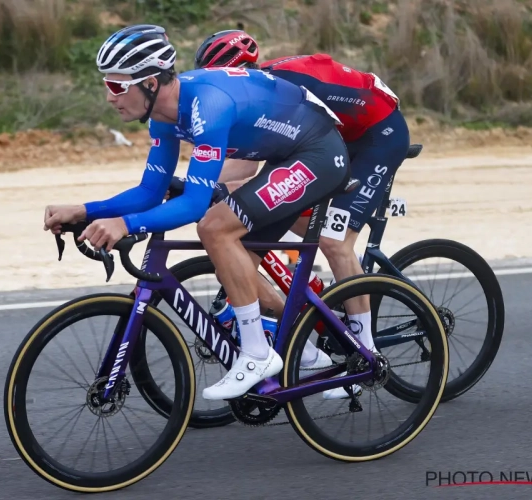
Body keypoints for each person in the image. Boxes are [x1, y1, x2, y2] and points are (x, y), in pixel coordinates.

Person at [43, 24, 352, 401]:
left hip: (318, 153)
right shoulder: (163, 116)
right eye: (108, 85)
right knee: (233, 252)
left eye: (116, 86)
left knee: (216, 227)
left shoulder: (208, 106)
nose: (110, 97)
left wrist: (124, 224)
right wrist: (83, 210)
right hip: (285, 154)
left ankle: (257, 353)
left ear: (151, 83)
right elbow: (148, 192)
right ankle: (305, 351)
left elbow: (191, 204)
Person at [191, 29, 411, 397]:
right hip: (318, 138)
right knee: (242, 253)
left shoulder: (278, 90)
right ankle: (303, 344)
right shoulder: (252, 101)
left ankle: (364, 353)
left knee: (332, 240)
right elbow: (239, 169)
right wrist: (192, 182)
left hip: (377, 134)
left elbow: (245, 171)